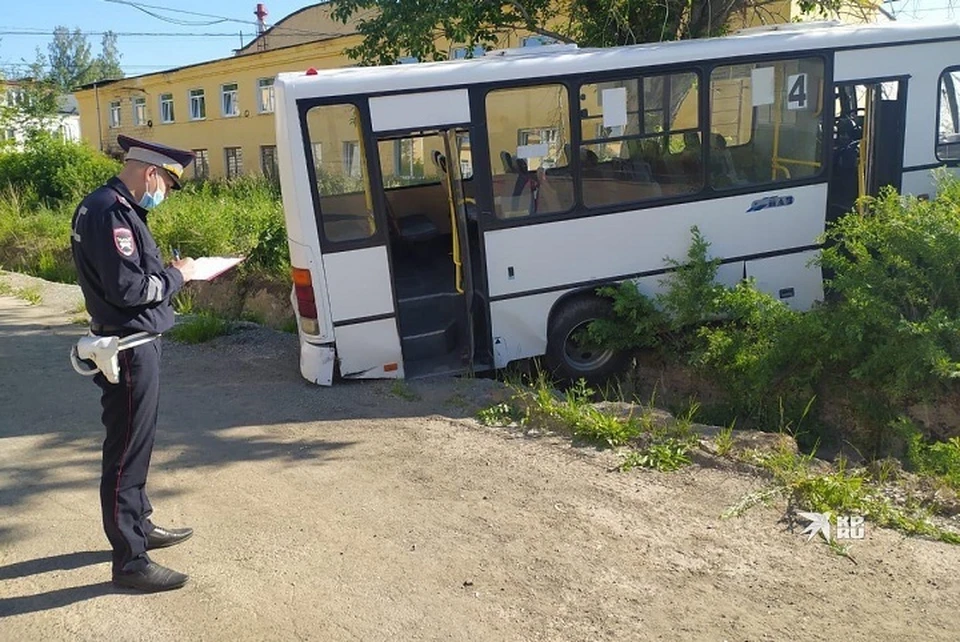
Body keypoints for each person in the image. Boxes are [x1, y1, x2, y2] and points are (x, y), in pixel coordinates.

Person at [70, 134, 198, 592]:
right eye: (165, 183)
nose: (163, 192)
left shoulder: (109, 206)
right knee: (125, 454)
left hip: (134, 342)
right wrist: (180, 274)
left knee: (136, 446)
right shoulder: (112, 213)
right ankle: (129, 560)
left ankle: (139, 524)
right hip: (129, 347)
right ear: (150, 173)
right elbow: (130, 291)